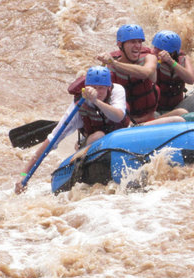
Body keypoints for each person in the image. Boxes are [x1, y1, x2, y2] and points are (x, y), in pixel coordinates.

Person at [15, 66, 128, 194]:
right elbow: (51, 141)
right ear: (86, 89)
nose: (98, 91)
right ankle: (83, 152)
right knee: (98, 136)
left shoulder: (117, 90)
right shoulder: (78, 108)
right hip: (95, 142)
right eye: (94, 88)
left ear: (109, 87)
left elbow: (118, 117)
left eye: (101, 88)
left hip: (120, 137)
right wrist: (24, 174)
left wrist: (96, 101)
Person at [97, 24, 159, 123]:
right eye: (133, 42)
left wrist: (114, 63)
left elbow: (146, 72)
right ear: (120, 45)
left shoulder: (150, 58)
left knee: (180, 113)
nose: (138, 46)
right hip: (126, 123)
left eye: (139, 42)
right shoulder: (109, 67)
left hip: (150, 118)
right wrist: (103, 64)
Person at [151, 30, 194, 115]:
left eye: (159, 49)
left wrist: (171, 62)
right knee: (155, 115)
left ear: (171, 53)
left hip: (177, 107)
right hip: (157, 110)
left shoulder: (183, 59)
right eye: (155, 47)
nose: (154, 51)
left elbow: (190, 80)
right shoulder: (150, 58)